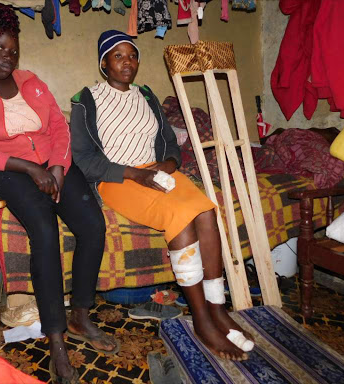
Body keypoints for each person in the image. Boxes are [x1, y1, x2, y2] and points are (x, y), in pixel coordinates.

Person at [0, 8, 119, 383]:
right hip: (12, 171)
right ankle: (55, 339)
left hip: (53, 165)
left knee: (93, 226)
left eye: (13, 50)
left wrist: (57, 165)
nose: (8, 56)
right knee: (44, 230)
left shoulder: (31, 81)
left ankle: (80, 316)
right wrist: (30, 168)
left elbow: (58, 125)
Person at [70, 30, 254, 361]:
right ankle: (201, 319)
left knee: (207, 211)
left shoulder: (147, 96)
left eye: (132, 55)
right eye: (118, 56)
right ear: (103, 63)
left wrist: (167, 164)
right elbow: (84, 159)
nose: (127, 62)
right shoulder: (87, 100)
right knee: (179, 217)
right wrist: (135, 173)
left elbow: (170, 142)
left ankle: (217, 308)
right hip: (118, 178)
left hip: (157, 171)